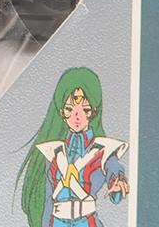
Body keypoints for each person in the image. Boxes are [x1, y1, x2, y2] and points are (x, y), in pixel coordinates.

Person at [18, 68, 130, 227]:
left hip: (87, 222)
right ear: (61, 112)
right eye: (69, 109)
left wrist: (118, 181)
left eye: (85, 110)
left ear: (93, 112)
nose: (77, 116)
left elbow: (114, 169)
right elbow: (48, 199)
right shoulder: (54, 152)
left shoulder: (102, 149)